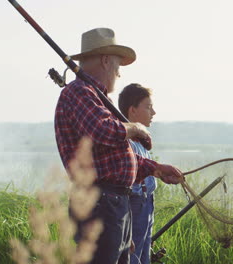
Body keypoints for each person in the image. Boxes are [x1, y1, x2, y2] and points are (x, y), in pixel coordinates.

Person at [54, 28, 183, 264]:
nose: (119, 74)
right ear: (105, 61)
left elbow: (112, 157)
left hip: (114, 204)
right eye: (117, 66)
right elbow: (102, 132)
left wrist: (155, 168)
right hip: (100, 202)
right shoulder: (79, 92)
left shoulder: (96, 97)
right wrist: (135, 128)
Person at [118, 83, 158, 264]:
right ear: (132, 111)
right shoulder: (126, 143)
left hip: (147, 204)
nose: (153, 112)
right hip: (135, 206)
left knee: (144, 257)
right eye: (148, 107)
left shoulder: (141, 142)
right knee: (132, 258)